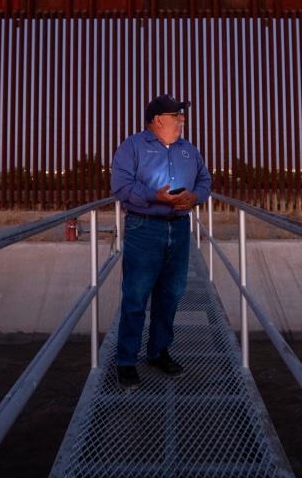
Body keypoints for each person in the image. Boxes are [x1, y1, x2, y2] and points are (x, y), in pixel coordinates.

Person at [109, 94, 212, 390]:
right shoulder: (132, 147)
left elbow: (205, 181)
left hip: (179, 229)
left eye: (182, 116)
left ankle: (158, 352)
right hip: (145, 229)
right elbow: (121, 186)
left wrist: (196, 197)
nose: (182, 121)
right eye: (176, 116)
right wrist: (156, 196)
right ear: (157, 120)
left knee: (171, 295)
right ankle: (126, 362)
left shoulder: (189, 150)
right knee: (136, 297)